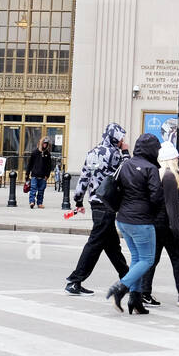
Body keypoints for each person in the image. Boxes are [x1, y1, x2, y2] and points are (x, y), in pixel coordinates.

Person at [65, 123, 130, 295]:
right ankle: (74, 281)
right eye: (121, 137)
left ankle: (128, 278)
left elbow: (83, 179)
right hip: (107, 203)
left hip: (95, 203)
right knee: (95, 243)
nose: (123, 140)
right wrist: (125, 152)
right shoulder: (115, 154)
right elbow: (127, 170)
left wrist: (78, 201)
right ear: (115, 137)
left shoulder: (92, 153)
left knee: (112, 245)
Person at [105, 132, 165, 315]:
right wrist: (154, 213)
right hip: (142, 220)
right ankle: (121, 288)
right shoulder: (151, 168)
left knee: (138, 259)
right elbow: (156, 196)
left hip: (123, 219)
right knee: (147, 260)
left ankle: (136, 300)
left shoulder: (126, 164)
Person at [139, 141, 179, 308]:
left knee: (153, 260)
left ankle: (145, 293)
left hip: (156, 223)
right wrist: (176, 229)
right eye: (176, 156)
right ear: (171, 159)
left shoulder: (158, 174)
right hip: (167, 224)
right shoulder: (169, 176)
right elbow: (171, 206)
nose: (178, 159)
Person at [25, 137, 53, 209]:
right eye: (44, 143)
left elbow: (49, 166)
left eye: (46, 144)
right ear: (41, 143)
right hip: (35, 175)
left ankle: (40, 203)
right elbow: (30, 164)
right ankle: (32, 202)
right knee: (33, 189)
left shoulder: (47, 154)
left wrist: (47, 175)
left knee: (41, 191)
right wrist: (27, 174)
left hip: (43, 176)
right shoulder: (35, 152)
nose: (45, 145)